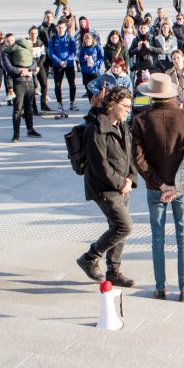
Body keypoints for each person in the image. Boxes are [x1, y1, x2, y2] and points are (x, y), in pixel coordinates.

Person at [132, 74, 184, 302]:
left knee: (157, 237)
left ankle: (160, 287)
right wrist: (177, 185)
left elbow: (138, 158)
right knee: (183, 235)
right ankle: (183, 288)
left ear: (151, 95)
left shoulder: (141, 119)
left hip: (155, 188)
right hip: (181, 187)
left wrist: (160, 184)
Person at [77, 86, 138, 288]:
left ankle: (113, 271)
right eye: (126, 106)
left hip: (123, 185)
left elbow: (130, 155)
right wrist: (121, 183)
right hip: (104, 188)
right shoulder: (96, 129)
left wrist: (130, 178)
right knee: (124, 226)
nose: (129, 110)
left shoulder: (122, 126)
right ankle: (89, 257)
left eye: (130, 106)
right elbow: (99, 165)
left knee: (119, 227)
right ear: (113, 105)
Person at [1, 33, 42, 142]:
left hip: (29, 82)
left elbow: (33, 62)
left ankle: (30, 129)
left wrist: (28, 70)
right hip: (17, 83)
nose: (10, 43)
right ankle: (16, 133)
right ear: (5, 42)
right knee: (18, 109)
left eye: (12, 40)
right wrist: (21, 71)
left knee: (29, 107)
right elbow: (8, 68)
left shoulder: (22, 50)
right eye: (8, 41)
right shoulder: (5, 54)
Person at [49, 20, 78, 111]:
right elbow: (51, 53)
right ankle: (60, 104)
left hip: (69, 65)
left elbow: (73, 51)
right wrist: (59, 61)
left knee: (72, 84)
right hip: (57, 65)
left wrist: (67, 61)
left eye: (62, 27)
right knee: (57, 85)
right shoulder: (52, 39)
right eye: (59, 27)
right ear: (57, 27)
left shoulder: (70, 38)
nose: (61, 29)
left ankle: (72, 103)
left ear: (66, 28)